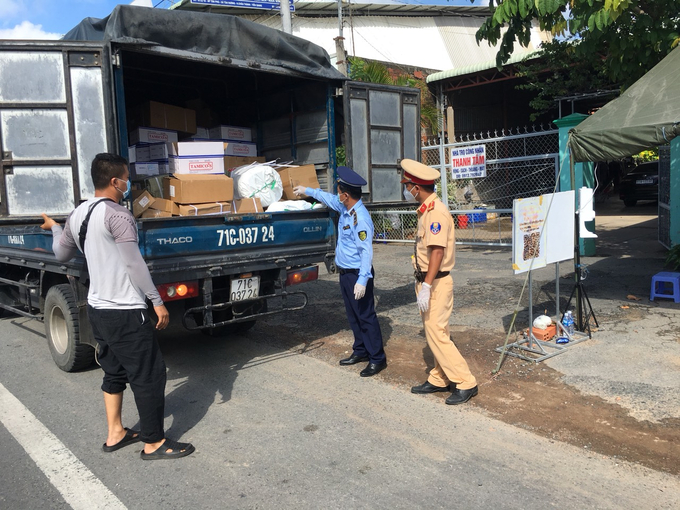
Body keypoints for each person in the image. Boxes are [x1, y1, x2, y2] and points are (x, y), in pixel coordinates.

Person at [40, 153, 195, 460]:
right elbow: (133, 264)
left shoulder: (80, 213)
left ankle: (115, 433)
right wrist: (157, 301)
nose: (129, 184)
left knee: (113, 370)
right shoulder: (118, 215)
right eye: (127, 178)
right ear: (115, 181)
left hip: (98, 308)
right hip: (125, 311)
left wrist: (55, 227)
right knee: (149, 374)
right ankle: (153, 443)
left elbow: (60, 254)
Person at [293, 166, 387, 377]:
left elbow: (366, 252)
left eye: (339, 191)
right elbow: (326, 198)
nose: (337, 194)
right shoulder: (345, 207)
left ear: (346, 194)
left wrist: (363, 280)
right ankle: (361, 350)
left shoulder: (359, 218)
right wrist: (307, 190)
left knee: (366, 316)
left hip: (357, 274)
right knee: (353, 316)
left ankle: (377, 358)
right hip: (345, 273)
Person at [400, 159, 478, 405]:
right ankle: (439, 377)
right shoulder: (426, 209)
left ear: (416, 187)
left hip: (436, 282)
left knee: (436, 333)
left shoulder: (436, 212)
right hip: (428, 281)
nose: (406, 190)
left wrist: (426, 285)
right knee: (436, 331)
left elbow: (437, 253)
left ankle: (466, 381)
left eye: (407, 185)